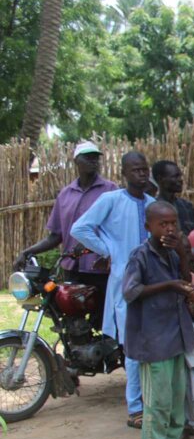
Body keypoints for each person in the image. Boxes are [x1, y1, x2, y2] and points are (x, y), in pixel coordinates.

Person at [70, 151, 156, 428]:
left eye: (145, 170)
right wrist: (109, 251)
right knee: (131, 347)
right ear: (124, 173)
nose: (141, 174)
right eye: (135, 170)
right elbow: (80, 228)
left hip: (153, 284)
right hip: (125, 282)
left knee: (152, 343)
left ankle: (152, 401)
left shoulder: (153, 205)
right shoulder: (111, 200)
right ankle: (135, 408)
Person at [122, 201, 194, 439]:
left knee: (175, 395)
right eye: (163, 224)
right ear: (149, 227)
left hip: (175, 334)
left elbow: (185, 279)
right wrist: (167, 285)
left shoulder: (171, 253)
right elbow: (130, 292)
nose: (169, 228)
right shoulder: (141, 256)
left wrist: (182, 254)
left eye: (173, 223)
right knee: (156, 400)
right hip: (153, 338)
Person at [16, 140, 117, 331]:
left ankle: (108, 359)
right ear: (76, 161)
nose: (93, 161)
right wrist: (27, 251)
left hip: (100, 269)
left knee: (104, 320)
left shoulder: (110, 190)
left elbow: (117, 230)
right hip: (73, 268)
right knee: (70, 319)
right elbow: (55, 236)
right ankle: (75, 357)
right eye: (88, 157)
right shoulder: (66, 194)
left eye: (96, 158)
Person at [153, 160, 194, 236]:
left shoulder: (187, 207)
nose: (180, 180)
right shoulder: (152, 208)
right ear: (160, 179)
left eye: (180, 176)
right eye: (175, 176)